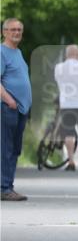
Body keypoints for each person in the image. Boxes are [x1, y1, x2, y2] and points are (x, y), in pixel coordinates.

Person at [1, 18, 31, 201]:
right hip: (7, 108)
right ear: (4, 32)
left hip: (20, 110)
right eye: (13, 29)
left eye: (19, 29)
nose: (17, 32)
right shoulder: (1, 52)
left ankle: (7, 186)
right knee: (6, 148)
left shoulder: (17, 52)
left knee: (14, 149)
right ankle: (4, 188)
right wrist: (10, 101)